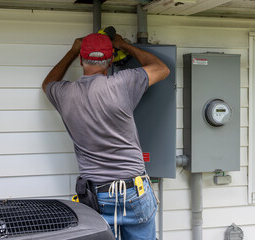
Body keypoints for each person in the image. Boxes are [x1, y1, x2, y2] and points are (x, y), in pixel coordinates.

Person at [42, 33, 170, 240]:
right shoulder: (124, 83)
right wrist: (124, 45)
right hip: (133, 190)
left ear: (82, 60)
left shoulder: (64, 94)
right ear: (110, 61)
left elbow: (47, 83)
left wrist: (72, 51)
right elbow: (162, 69)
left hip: (96, 195)